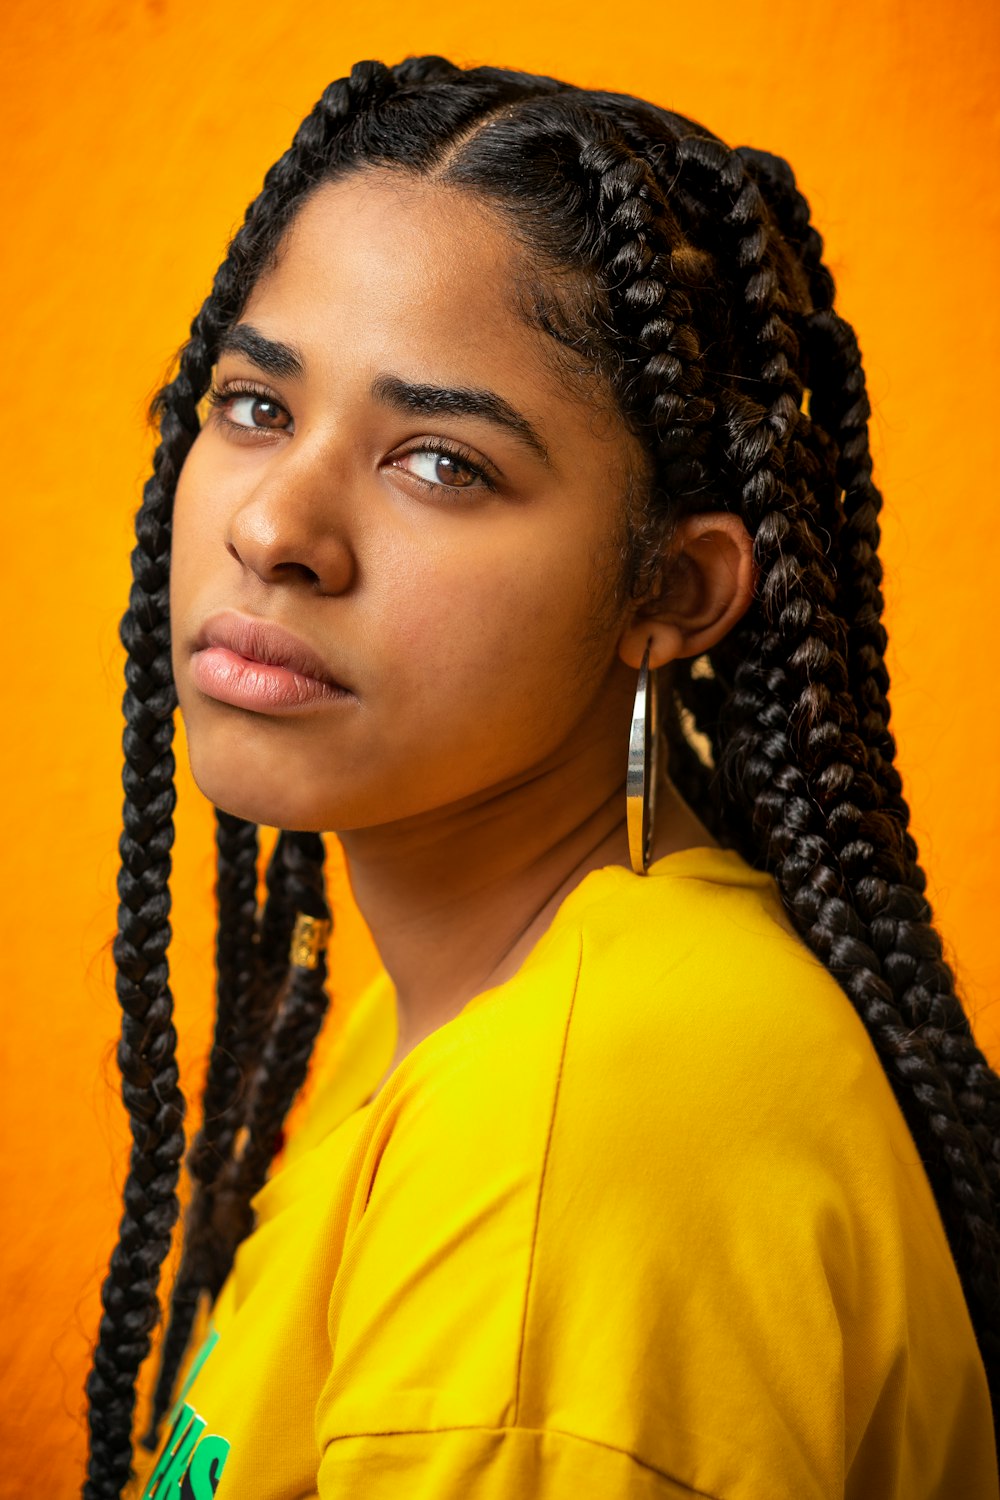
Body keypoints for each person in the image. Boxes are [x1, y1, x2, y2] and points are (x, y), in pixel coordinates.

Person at [83, 54, 1000, 1500]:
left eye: (440, 461)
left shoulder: (580, 1129)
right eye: (256, 405)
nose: (275, 526)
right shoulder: (470, 1009)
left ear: (676, 590)